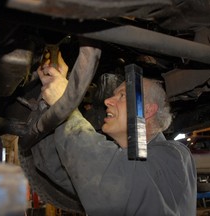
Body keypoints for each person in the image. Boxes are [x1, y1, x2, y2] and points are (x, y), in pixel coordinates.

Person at [30, 52, 197, 215]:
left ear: (146, 110)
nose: (107, 101)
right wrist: (49, 99)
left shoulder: (175, 155)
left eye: (122, 95)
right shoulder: (123, 165)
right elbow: (57, 167)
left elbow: (117, 182)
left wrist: (65, 104)